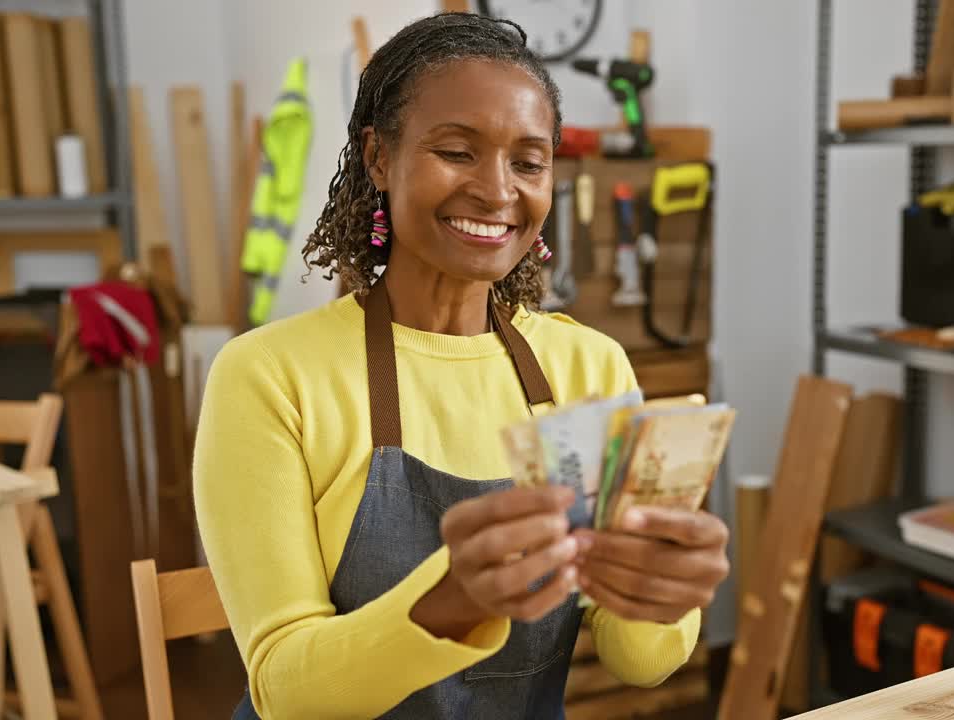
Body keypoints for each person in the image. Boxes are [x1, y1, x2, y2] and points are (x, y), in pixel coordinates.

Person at [194, 12, 730, 720]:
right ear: (379, 158)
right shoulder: (269, 376)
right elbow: (285, 689)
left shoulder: (588, 369)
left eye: (529, 162)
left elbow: (640, 663)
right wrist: (454, 602)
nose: (498, 190)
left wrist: (663, 596)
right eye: (457, 151)